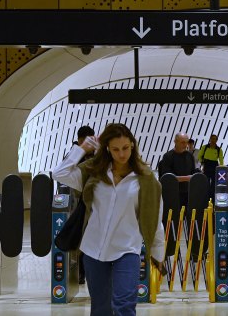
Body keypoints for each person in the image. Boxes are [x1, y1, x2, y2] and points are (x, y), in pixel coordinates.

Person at [52, 123, 163, 316]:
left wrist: (158, 254)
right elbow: (59, 174)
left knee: (124, 305)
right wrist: (81, 149)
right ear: (107, 149)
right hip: (93, 250)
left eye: (126, 148)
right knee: (100, 309)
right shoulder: (93, 172)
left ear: (133, 146)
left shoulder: (145, 179)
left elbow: (155, 216)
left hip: (127, 250)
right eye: (116, 149)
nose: (122, 154)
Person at [60, 125, 95, 285]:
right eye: (88, 141)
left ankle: (91, 271)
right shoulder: (73, 156)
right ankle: (80, 272)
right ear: (81, 140)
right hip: (78, 203)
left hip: (95, 203)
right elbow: (61, 174)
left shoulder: (96, 155)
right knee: (80, 238)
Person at [157, 132, 198, 209]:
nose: (185, 145)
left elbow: (193, 172)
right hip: (172, 193)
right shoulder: (168, 156)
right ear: (175, 141)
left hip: (187, 193)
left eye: (186, 142)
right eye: (182, 142)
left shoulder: (189, 156)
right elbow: (167, 178)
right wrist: (187, 178)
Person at [198, 134, 224, 199]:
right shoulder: (205, 147)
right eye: (212, 138)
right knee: (205, 183)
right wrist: (202, 162)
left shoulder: (219, 149)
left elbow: (221, 160)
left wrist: (221, 168)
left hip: (214, 167)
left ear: (217, 140)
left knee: (213, 185)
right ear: (210, 139)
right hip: (206, 166)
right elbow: (199, 156)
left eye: (214, 139)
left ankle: (211, 199)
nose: (213, 140)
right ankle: (204, 198)